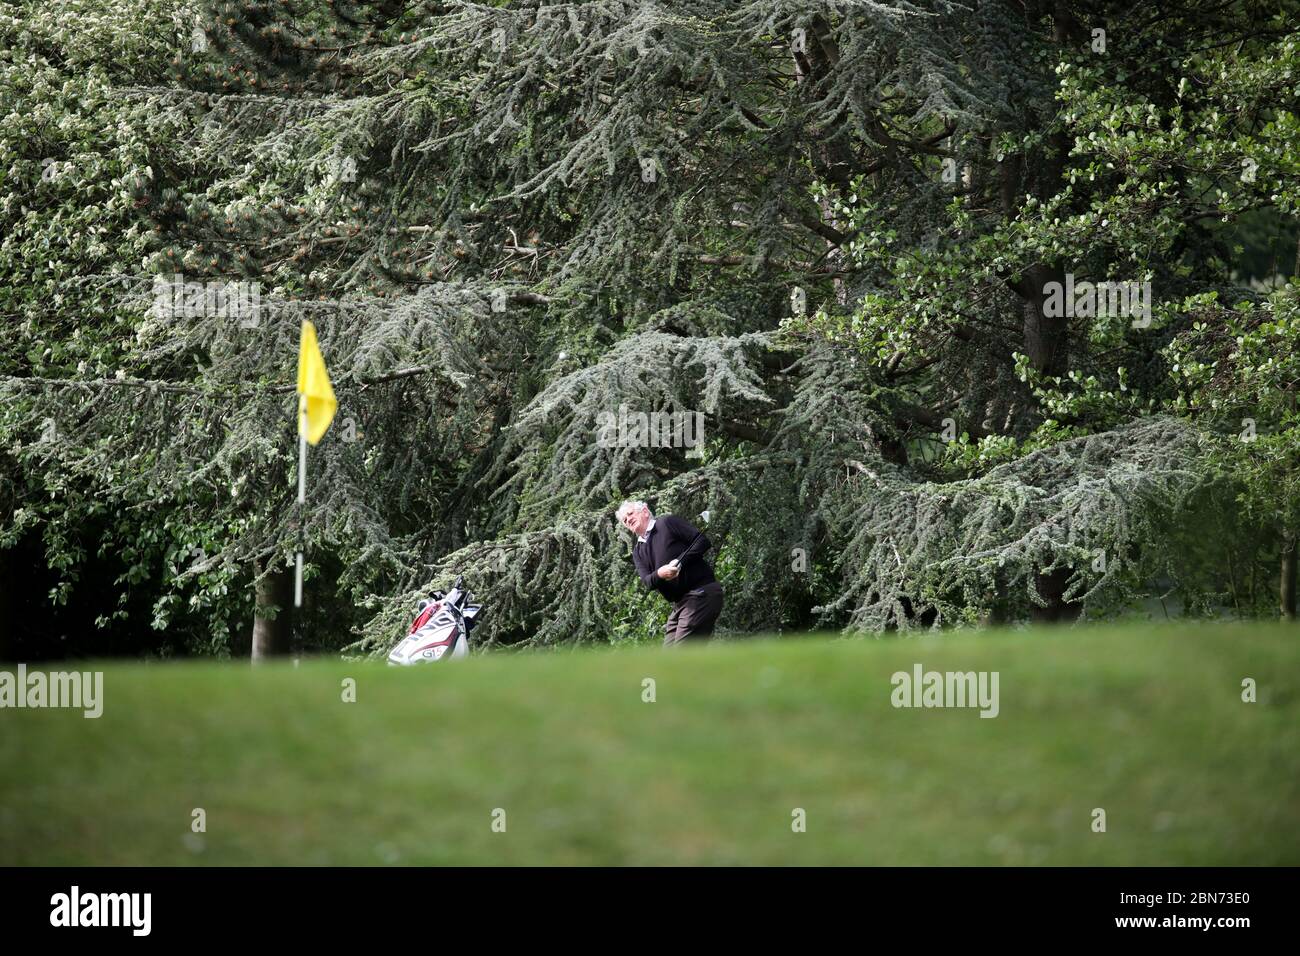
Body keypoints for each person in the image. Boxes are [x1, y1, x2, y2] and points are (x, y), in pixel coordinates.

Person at [616, 500, 724, 646]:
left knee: (681, 656)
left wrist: (680, 563)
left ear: (645, 511)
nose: (628, 519)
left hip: (701, 593)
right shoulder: (637, 551)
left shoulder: (667, 523)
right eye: (625, 520)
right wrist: (661, 573)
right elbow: (648, 581)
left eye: (630, 514)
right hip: (680, 604)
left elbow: (702, 541)